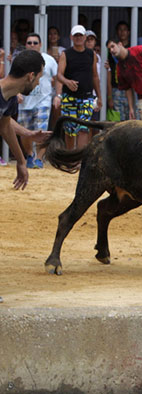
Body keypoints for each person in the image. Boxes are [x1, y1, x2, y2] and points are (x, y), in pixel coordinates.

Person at [0, 49, 45, 302]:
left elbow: (5, 124)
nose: (38, 82)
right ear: (30, 76)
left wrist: (21, 160)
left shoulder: (8, 99)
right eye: (38, 78)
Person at [53, 25, 102, 150]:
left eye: (81, 35)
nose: (78, 38)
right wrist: (67, 82)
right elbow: (59, 74)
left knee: (84, 128)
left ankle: (80, 157)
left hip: (86, 97)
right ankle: (71, 156)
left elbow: (95, 76)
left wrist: (99, 97)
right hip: (69, 97)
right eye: (76, 36)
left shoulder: (92, 54)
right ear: (71, 37)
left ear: (85, 37)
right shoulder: (66, 54)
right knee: (70, 130)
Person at [18, 33, 57, 169]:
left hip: (44, 100)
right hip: (25, 101)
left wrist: (58, 95)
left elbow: (57, 78)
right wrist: (16, 93)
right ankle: (30, 155)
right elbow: (12, 78)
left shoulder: (49, 60)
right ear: (26, 45)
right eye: (29, 43)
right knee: (25, 131)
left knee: (42, 130)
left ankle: (39, 158)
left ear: (40, 45)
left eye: (35, 43)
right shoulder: (19, 60)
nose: (32, 45)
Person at [107, 39, 142, 123]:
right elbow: (127, 88)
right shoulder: (119, 68)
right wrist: (131, 108)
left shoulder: (141, 50)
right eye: (109, 50)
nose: (111, 50)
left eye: (112, 46)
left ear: (120, 44)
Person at [106, 21, 131, 121]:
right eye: (120, 30)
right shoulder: (111, 52)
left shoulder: (131, 49)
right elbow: (108, 73)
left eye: (124, 29)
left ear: (129, 32)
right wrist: (109, 97)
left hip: (130, 90)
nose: (122, 32)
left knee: (132, 121)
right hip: (116, 89)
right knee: (118, 123)